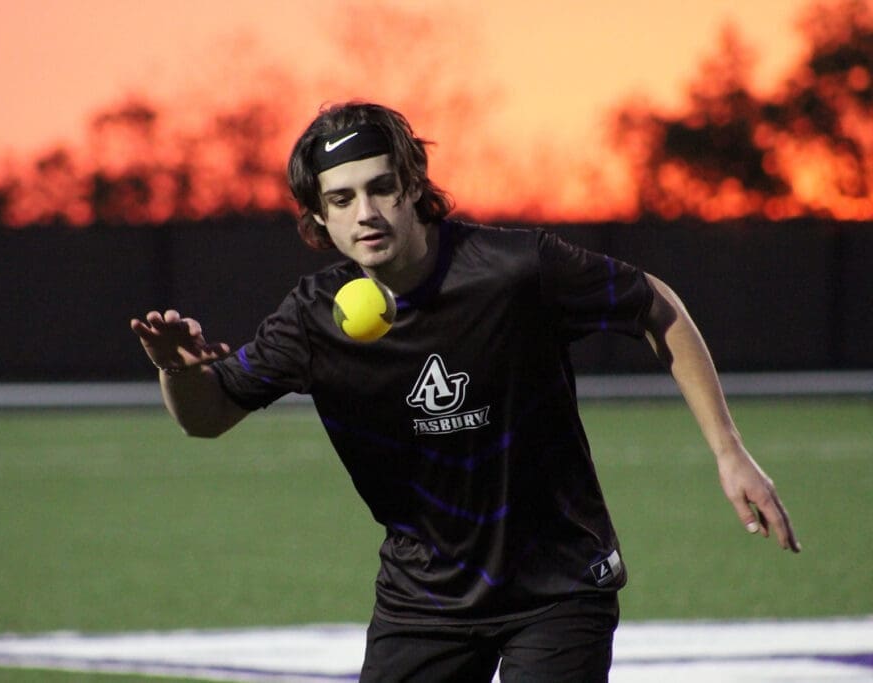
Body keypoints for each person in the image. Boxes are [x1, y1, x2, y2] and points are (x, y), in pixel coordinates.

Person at [130, 101, 800, 682]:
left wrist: (729, 449)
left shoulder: (512, 271)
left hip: (558, 584)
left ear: (413, 185)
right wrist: (176, 370)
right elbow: (207, 416)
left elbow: (654, 305)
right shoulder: (312, 319)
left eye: (381, 187)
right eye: (341, 199)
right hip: (424, 597)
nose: (366, 212)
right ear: (317, 221)